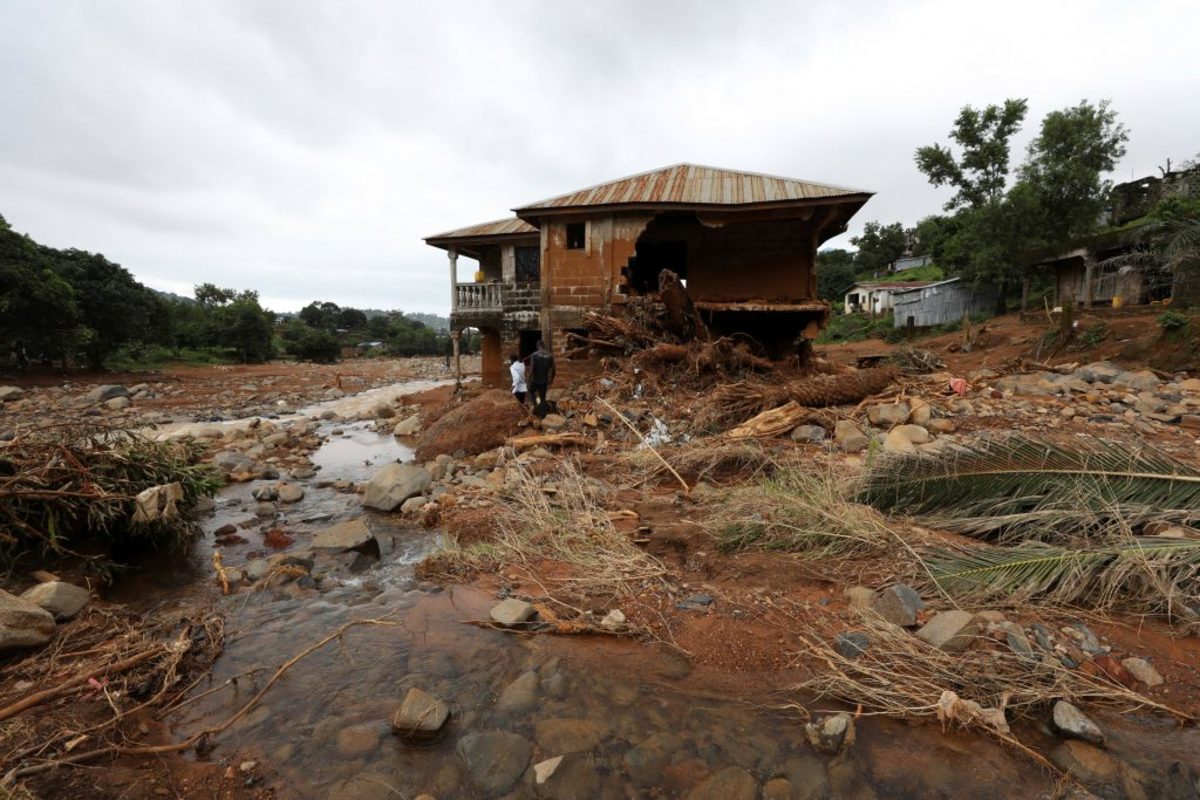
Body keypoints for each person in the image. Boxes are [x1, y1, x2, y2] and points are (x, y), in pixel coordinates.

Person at [528, 339, 555, 416]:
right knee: (543, 398)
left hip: (535, 380)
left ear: (537, 346)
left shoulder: (534, 355)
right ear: (544, 346)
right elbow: (554, 370)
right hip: (544, 380)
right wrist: (551, 379)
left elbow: (532, 369)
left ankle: (535, 407)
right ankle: (543, 416)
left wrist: (528, 380)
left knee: (530, 391)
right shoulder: (550, 356)